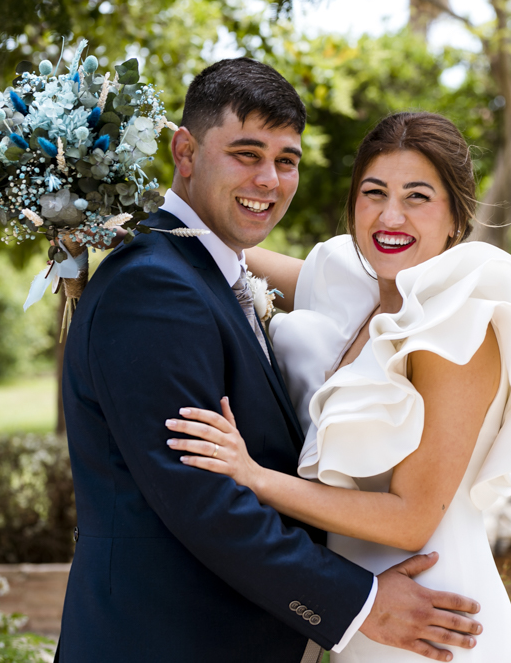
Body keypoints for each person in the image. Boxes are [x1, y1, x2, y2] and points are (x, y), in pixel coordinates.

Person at [57, 59, 483, 663]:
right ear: (185, 152)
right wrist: (357, 603)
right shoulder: (154, 287)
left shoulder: (216, 272)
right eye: (246, 154)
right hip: (166, 639)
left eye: (286, 161)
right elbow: (204, 499)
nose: (270, 180)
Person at [165, 111, 511, 661]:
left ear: (456, 216)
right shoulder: (356, 289)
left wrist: (253, 477)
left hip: (438, 619)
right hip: (363, 614)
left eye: (417, 197)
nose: (390, 216)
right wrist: (109, 193)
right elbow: (219, 244)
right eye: (374, 191)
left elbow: (410, 520)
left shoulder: (459, 328)